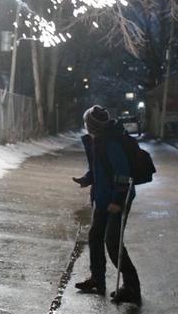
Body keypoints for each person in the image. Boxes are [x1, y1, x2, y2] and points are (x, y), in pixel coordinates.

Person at [72, 105, 142, 306]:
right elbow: (97, 169)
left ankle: (132, 289)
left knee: (112, 242)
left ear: (91, 125)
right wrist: (86, 179)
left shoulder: (111, 143)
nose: (85, 126)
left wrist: (117, 201)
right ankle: (97, 279)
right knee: (95, 236)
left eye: (87, 123)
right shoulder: (97, 142)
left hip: (117, 200)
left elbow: (123, 173)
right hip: (103, 199)